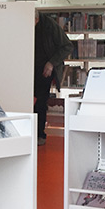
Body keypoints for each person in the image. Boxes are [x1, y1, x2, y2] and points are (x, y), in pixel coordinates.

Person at [33, 13, 72, 145]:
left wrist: (51, 63)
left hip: (45, 69)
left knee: (40, 102)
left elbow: (67, 46)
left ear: (37, 19)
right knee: (26, 101)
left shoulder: (49, 25)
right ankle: (29, 133)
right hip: (27, 68)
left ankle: (40, 135)